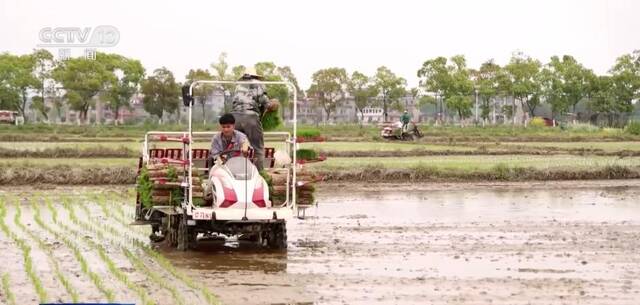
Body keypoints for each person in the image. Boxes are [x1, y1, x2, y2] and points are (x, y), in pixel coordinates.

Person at [231, 67, 278, 171]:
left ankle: (235, 172)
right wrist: (273, 104)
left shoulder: (238, 86)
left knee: (236, 147)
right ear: (255, 76)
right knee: (258, 149)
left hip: (234, 118)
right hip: (250, 118)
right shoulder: (258, 84)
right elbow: (266, 103)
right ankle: (260, 174)